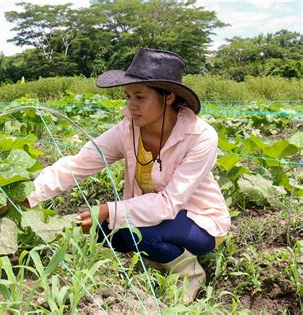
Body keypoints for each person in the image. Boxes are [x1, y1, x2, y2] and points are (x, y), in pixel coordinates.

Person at [25, 48, 231, 304]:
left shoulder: (200, 137)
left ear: (168, 97)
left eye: (140, 97)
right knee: (106, 233)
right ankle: (159, 259)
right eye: (128, 96)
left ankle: (188, 273)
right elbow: (79, 163)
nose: (130, 105)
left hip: (198, 220)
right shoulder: (127, 130)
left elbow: (169, 203)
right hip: (150, 215)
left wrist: (109, 210)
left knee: (140, 234)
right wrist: (28, 197)